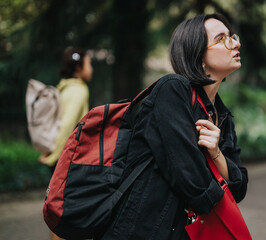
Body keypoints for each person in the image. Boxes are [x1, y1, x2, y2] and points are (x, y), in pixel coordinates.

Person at [98, 13, 248, 240]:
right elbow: (196, 186)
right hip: (141, 231)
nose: (236, 43)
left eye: (232, 36)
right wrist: (220, 182)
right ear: (198, 54)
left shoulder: (222, 115)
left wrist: (216, 154)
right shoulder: (173, 91)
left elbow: (240, 187)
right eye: (221, 38)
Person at [39, 47, 93, 240]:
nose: (91, 69)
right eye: (89, 64)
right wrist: (54, 156)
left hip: (58, 156)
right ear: (79, 67)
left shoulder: (64, 88)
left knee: (56, 208)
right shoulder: (79, 90)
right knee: (66, 212)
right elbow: (68, 126)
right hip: (67, 159)